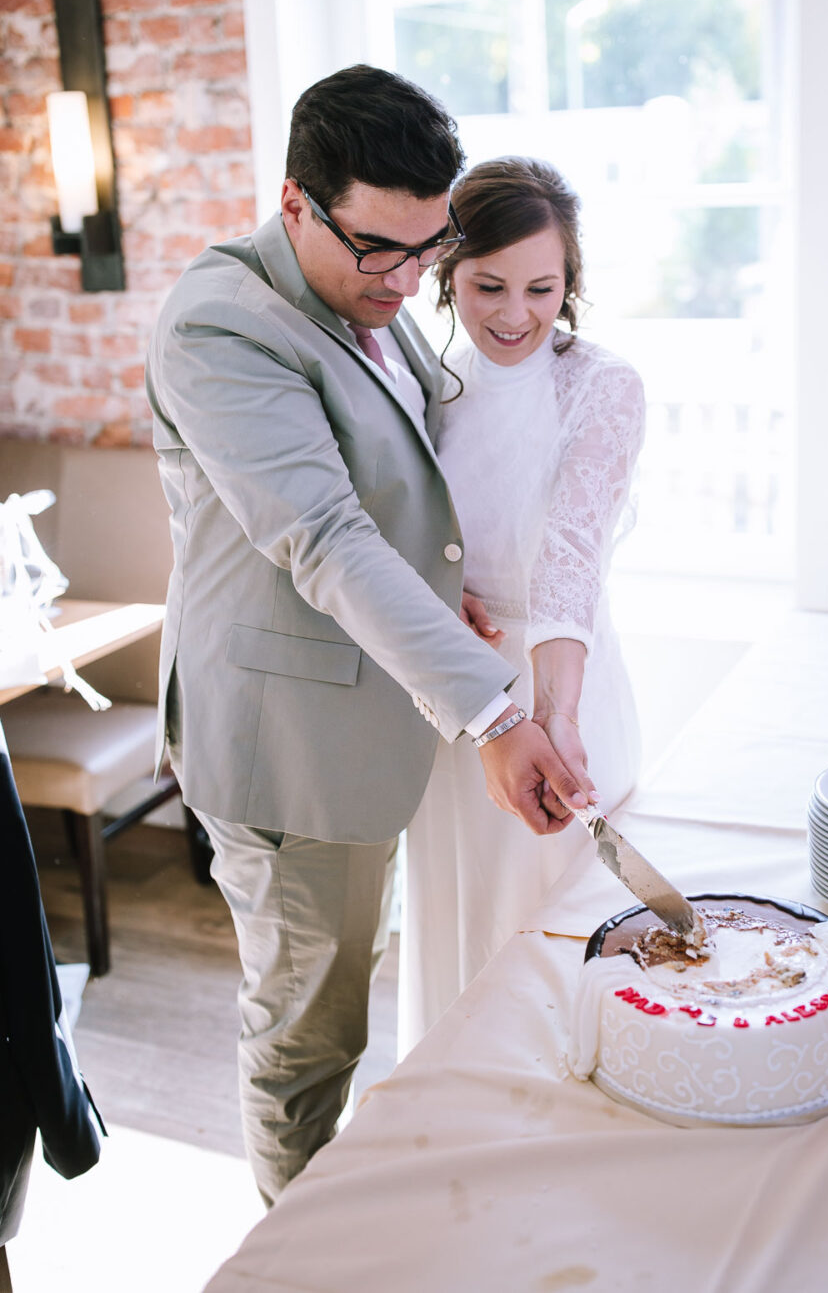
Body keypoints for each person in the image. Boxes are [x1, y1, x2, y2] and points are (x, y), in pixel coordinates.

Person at [144, 69, 588, 1206]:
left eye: (427, 248)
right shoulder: (221, 324)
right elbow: (325, 535)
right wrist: (497, 712)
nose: (405, 279)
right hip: (287, 741)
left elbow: (392, 486)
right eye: (379, 249)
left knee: (354, 995)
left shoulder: (370, 293)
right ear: (295, 203)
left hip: (374, 705)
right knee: (308, 1039)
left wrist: (449, 590)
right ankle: (293, 1259)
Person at [401, 156, 645, 1050]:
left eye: (541, 288)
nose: (515, 314)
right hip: (454, 694)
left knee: (565, 934)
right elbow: (394, 527)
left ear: (570, 281)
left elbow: (569, 561)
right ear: (446, 273)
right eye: (488, 286)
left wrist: (554, 716)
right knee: (463, 933)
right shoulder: (425, 385)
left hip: (565, 679)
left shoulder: (602, 386)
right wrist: (439, 589)